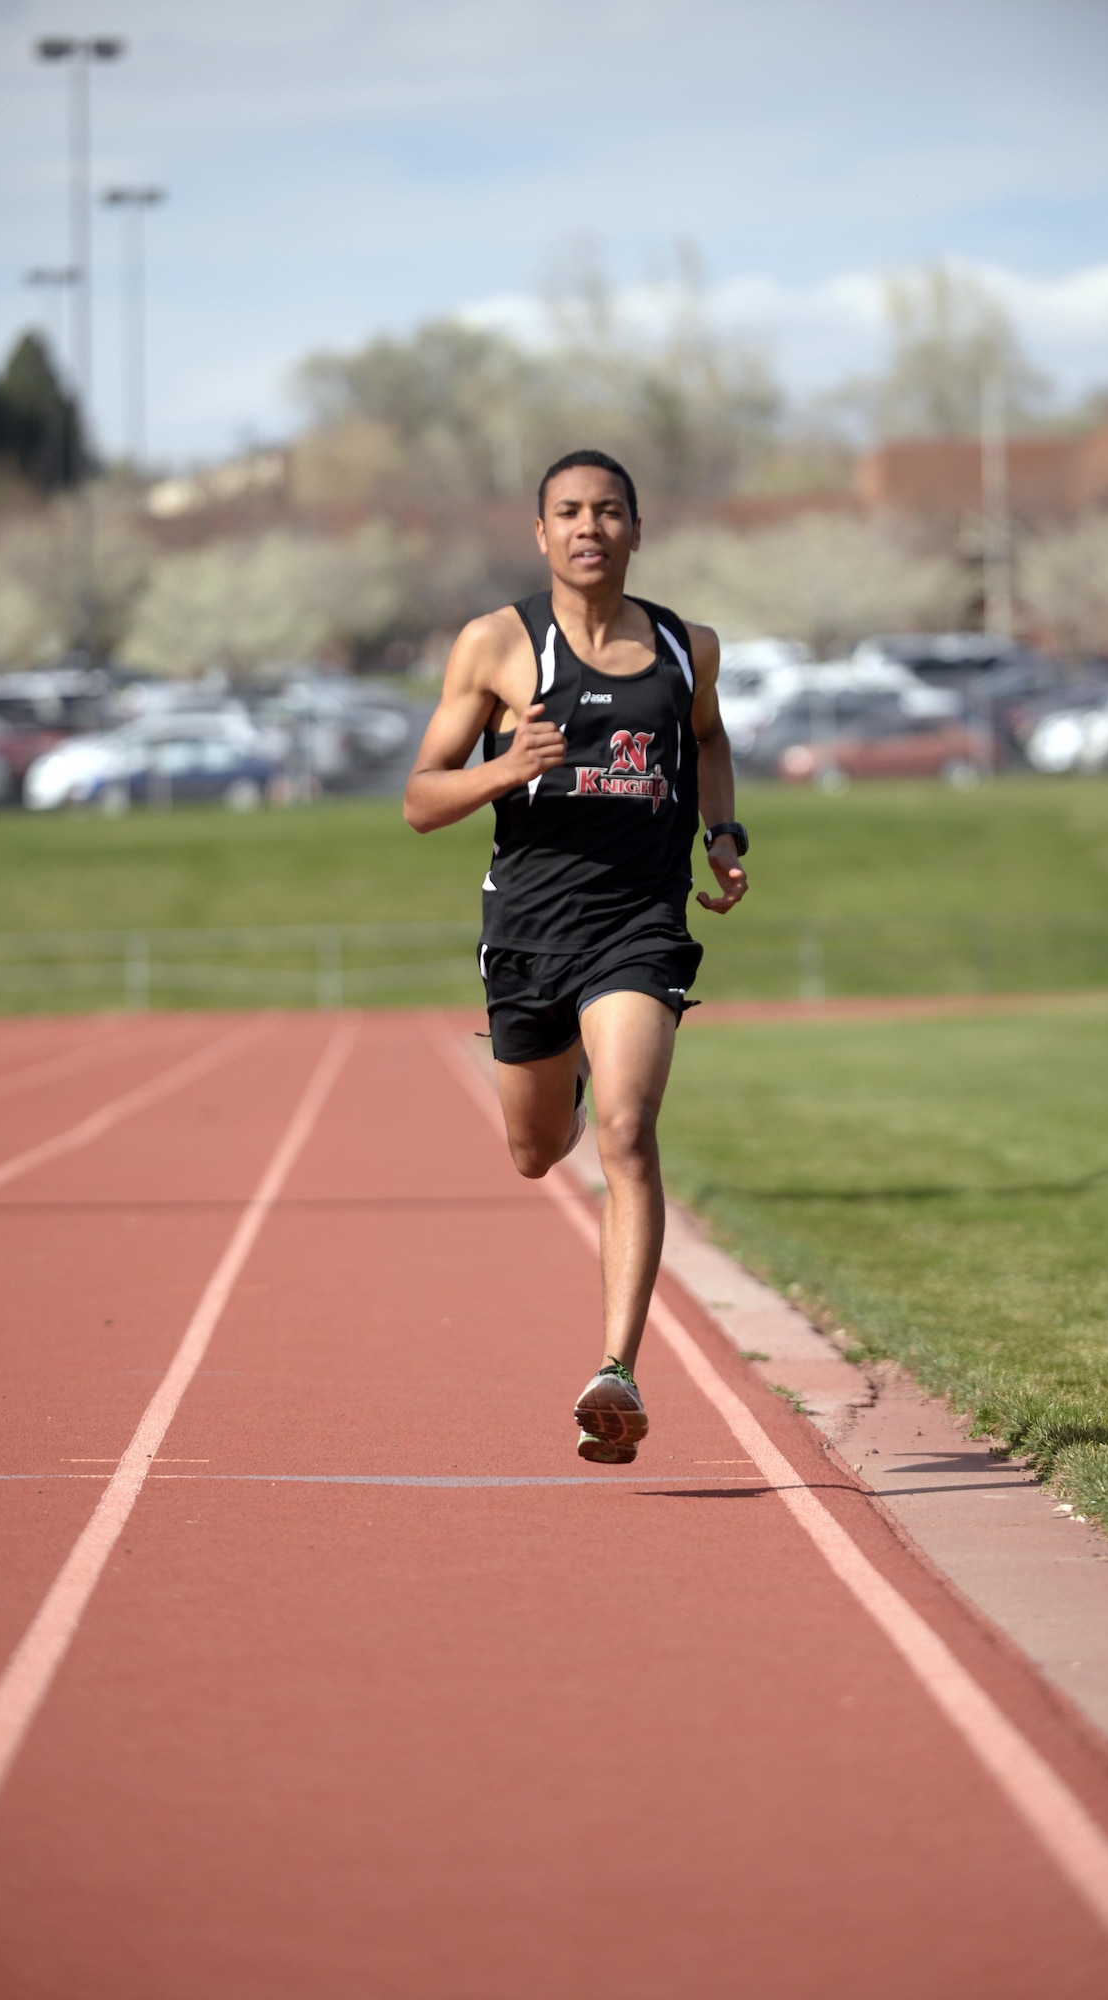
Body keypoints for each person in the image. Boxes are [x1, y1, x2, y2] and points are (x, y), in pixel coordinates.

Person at [404, 448, 748, 1464]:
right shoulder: (497, 647)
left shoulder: (689, 649)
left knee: (627, 1130)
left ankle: (616, 1368)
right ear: (541, 533)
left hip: (637, 925)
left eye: (608, 510)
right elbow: (421, 797)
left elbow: (711, 739)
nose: (588, 525)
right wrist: (504, 765)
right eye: (568, 511)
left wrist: (722, 836)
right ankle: (577, 1059)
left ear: (636, 532)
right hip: (527, 931)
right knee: (532, 1150)